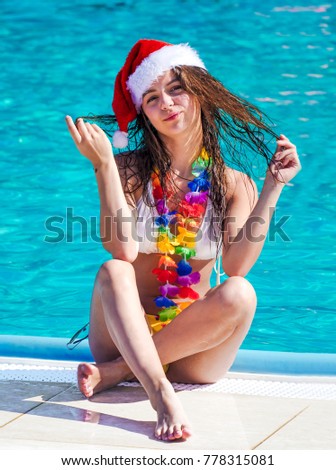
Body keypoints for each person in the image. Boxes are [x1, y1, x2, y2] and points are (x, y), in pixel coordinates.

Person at [65, 39, 301, 441]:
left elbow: (237, 266)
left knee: (240, 292)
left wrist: (272, 188)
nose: (167, 103)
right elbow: (121, 247)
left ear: (201, 92)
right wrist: (104, 164)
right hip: (124, 338)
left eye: (176, 89)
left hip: (195, 350)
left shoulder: (232, 182)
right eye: (153, 97)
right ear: (145, 114)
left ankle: (122, 375)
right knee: (114, 270)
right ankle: (159, 393)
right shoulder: (128, 170)